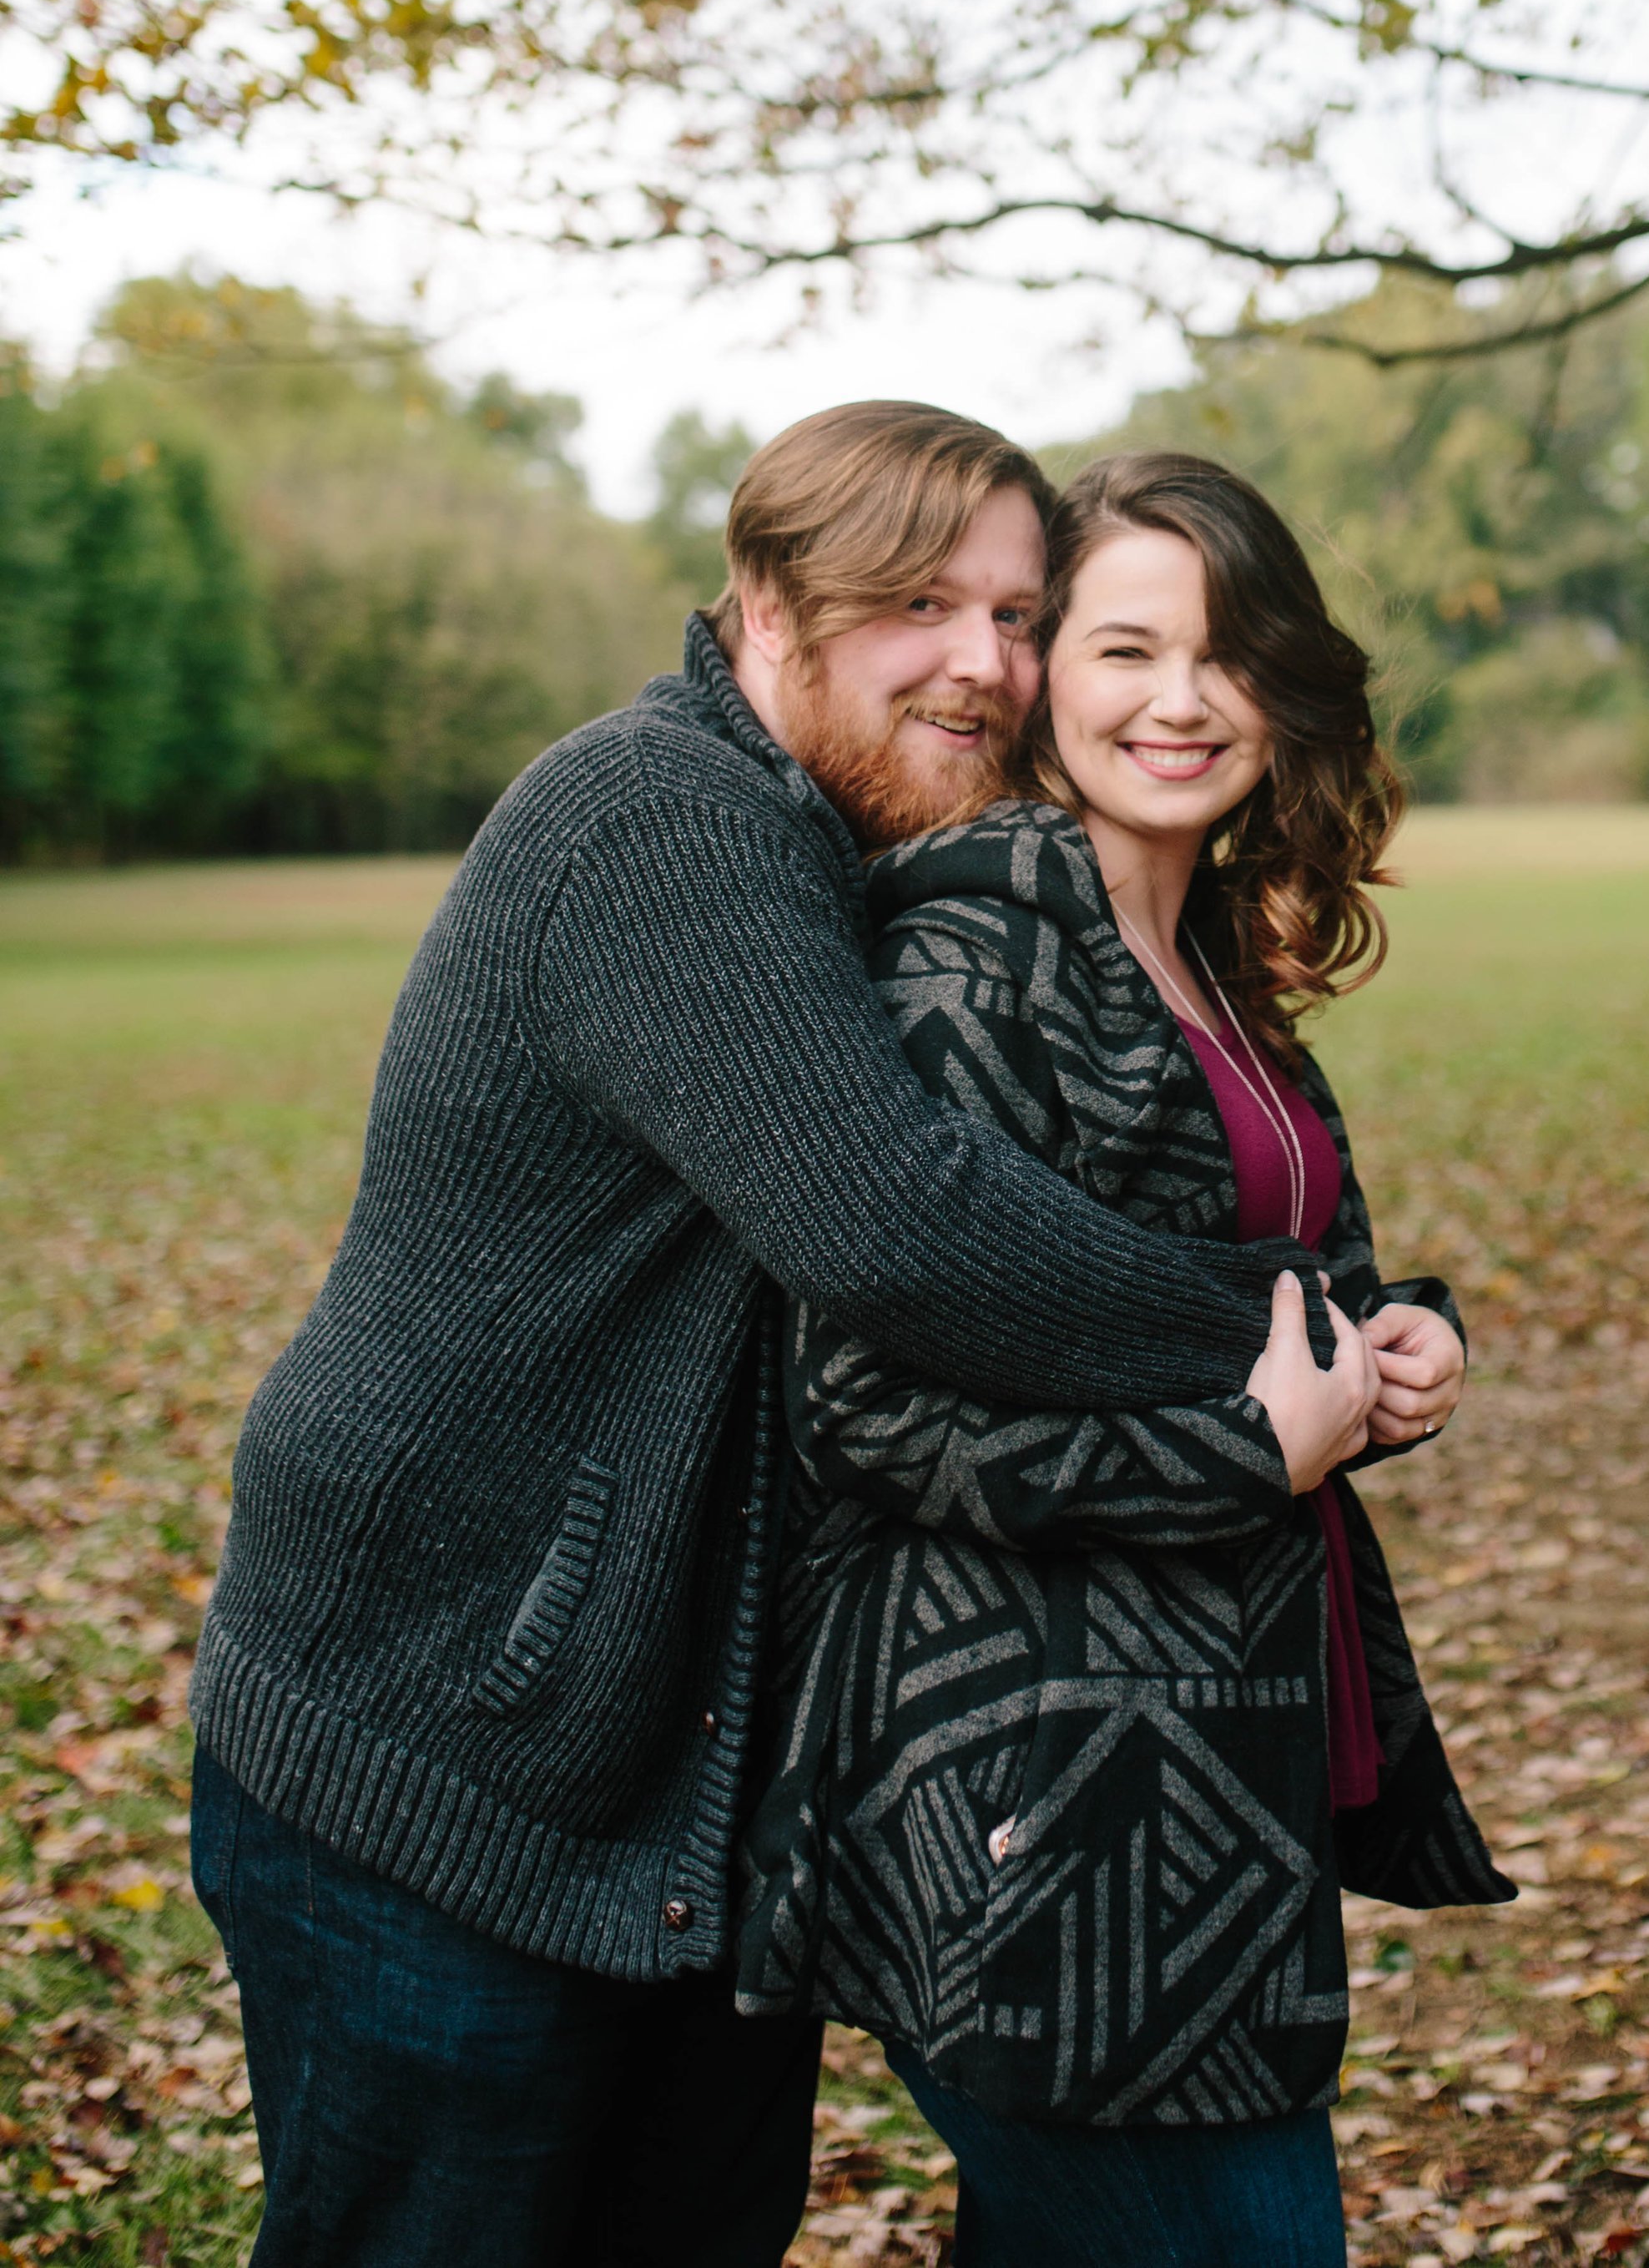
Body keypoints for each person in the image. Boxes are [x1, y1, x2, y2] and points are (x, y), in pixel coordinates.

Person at [187, 403, 1419, 2268]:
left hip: (673, 1757)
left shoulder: (832, 839)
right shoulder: (659, 819)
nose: (984, 666)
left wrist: (1354, 1324)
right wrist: (1292, 1338)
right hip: (437, 1728)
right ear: (762, 603)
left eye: (1016, 614)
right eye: (920, 605)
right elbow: (900, 1225)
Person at [738, 450, 1511, 2268]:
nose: (1179, 701)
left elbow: (1262, 1299)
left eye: (1225, 653)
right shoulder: (976, 951)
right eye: (1121, 650)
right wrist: (1252, 1452)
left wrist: (1399, 1346)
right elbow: (858, 1410)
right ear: (1041, 682)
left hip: (1212, 1759)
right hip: (1051, 1801)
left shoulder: (1209, 960)